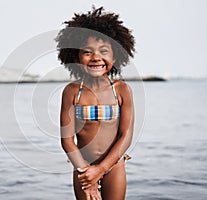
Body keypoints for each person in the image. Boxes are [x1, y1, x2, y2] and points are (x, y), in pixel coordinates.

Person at [56, 6, 135, 200]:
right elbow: (67, 140)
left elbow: (126, 135)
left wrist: (101, 169)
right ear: (76, 57)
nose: (96, 57)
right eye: (87, 52)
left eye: (103, 51)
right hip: (82, 167)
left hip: (113, 166)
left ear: (115, 56)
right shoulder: (73, 92)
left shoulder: (121, 90)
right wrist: (87, 173)